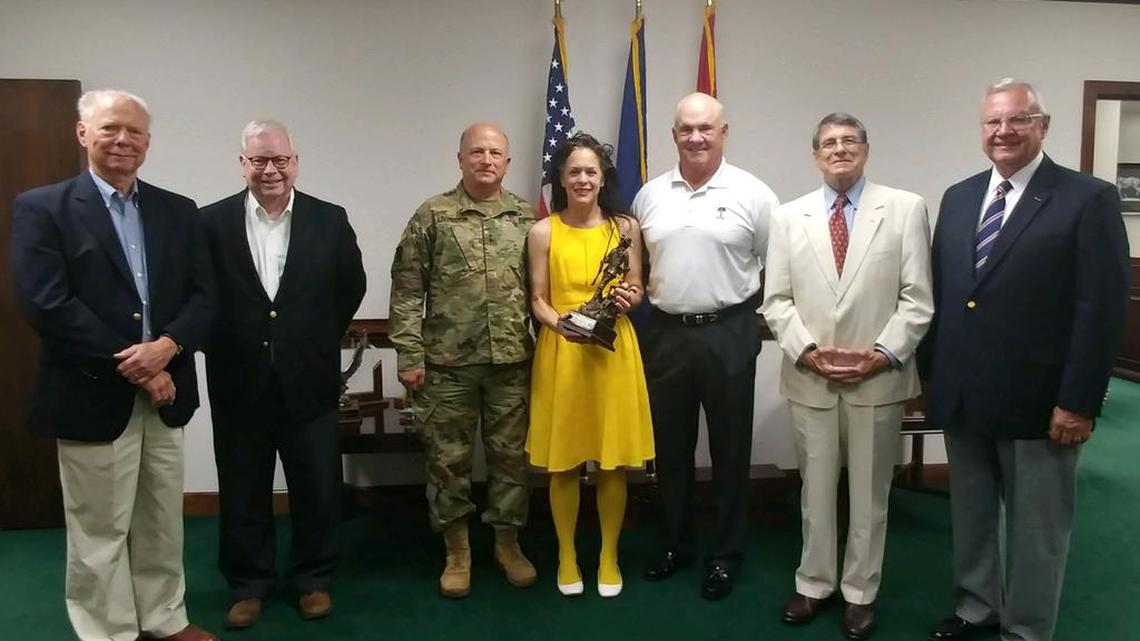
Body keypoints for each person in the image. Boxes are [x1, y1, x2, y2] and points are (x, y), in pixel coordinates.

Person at [921, 79, 1129, 641]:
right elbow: (947, 295)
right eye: (993, 121)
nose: (1003, 131)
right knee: (971, 515)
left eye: (1018, 120)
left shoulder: (1087, 198)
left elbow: (1101, 309)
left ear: (1043, 126)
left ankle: (1027, 629)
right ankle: (975, 609)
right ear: (981, 128)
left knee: (1038, 528)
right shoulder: (960, 197)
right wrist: (933, 379)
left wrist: (1079, 401)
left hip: (1042, 403)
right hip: (965, 396)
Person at [9, 89, 216, 641]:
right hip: (90, 393)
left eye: (135, 131)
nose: (123, 140)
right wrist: (143, 366)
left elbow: (205, 296)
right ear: (83, 134)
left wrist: (168, 348)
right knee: (99, 527)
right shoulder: (42, 207)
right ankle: (108, 631)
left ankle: (165, 618)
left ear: (148, 141)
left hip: (169, 392)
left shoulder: (178, 210)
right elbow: (46, 304)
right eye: (109, 129)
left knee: (160, 521)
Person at [762, 113, 933, 639]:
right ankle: (813, 582)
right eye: (828, 143)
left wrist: (880, 355)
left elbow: (918, 300)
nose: (839, 149)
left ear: (866, 148)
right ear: (815, 155)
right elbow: (776, 301)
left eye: (849, 140)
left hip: (876, 380)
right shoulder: (789, 217)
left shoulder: (905, 209)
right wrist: (807, 351)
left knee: (870, 493)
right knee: (814, 490)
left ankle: (862, 591)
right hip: (811, 378)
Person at [199, 120, 366, 627]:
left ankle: (312, 580)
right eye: (258, 160)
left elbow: (350, 287)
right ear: (241, 163)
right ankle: (249, 585)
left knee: (316, 487)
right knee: (243, 487)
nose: (269, 169)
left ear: (295, 161)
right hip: (237, 381)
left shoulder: (328, 219)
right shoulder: (210, 223)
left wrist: (310, 340)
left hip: (308, 380)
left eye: (279, 160)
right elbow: (199, 297)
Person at [632, 92, 780, 600]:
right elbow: (640, 268)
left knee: (730, 449)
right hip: (666, 334)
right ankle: (675, 545)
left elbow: (777, 267)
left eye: (706, 128)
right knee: (669, 451)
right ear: (673, 134)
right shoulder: (648, 196)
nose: (696, 137)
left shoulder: (754, 194)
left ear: (723, 132)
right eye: (686, 129)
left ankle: (725, 553)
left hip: (728, 332)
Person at [390, 122, 537, 598]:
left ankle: (507, 543)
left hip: (512, 361)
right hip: (446, 365)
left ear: (507, 163)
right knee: (447, 461)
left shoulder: (526, 217)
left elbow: (544, 291)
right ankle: (457, 551)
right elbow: (408, 289)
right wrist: (409, 355)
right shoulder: (433, 215)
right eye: (477, 152)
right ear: (460, 159)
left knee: (511, 459)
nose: (486, 160)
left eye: (496, 153)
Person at [525, 133, 655, 598]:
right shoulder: (543, 231)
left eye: (590, 171)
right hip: (563, 350)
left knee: (613, 462)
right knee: (563, 463)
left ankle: (608, 556)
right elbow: (537, 298)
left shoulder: (626, 229)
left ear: (602, 179)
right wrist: (559, 324)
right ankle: (566, 554)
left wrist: (628, 296)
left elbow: (638, 287)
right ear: (561, 178)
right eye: (573, 171)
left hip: (612, 352)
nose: (582, 179)